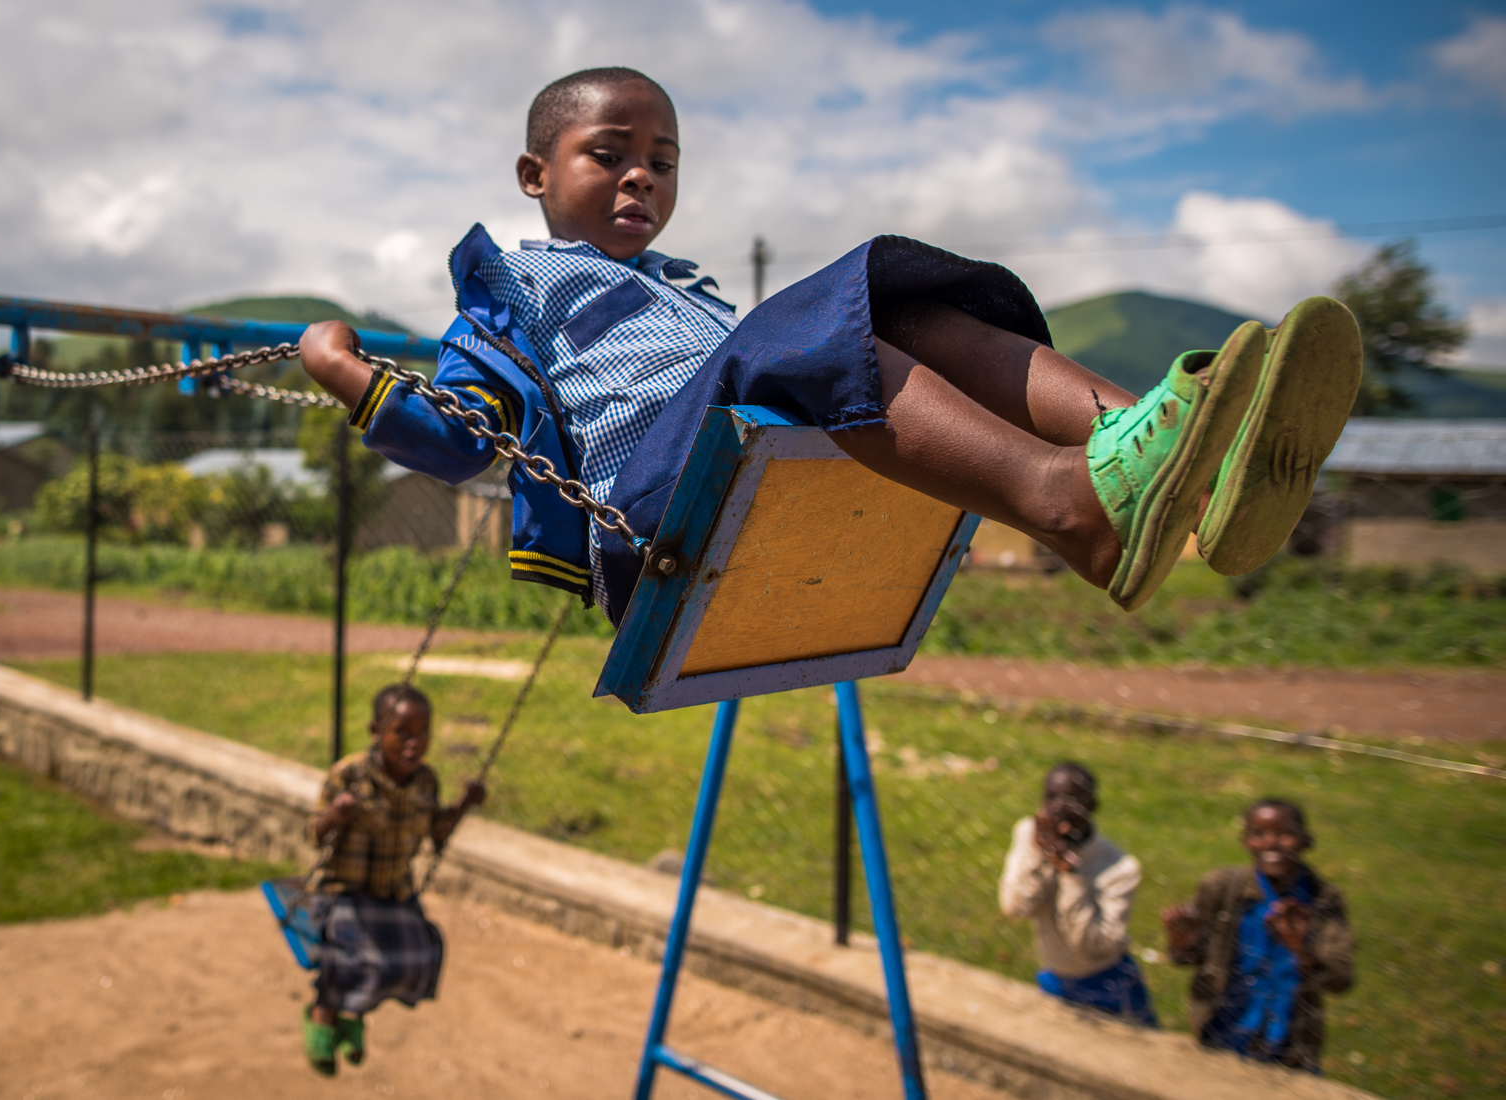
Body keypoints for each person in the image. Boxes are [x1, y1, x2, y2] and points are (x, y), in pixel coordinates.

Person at [299, 67, 1362, 626]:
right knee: (812, 320)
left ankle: (1172, 453)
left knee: (906, 308)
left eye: (662, 160)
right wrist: (341, 370)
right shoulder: (514, 291)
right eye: (608, 155)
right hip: (646, 510)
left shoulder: (685, 290)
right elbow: (457, 443)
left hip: (731, 450)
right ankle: (1065, 500)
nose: (641, 177)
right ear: (535, 175)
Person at [300, 682, 486, 1076]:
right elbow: (313, 834)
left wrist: (463, 806)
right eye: (402, 732)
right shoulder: (350, 774)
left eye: (422, 733)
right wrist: (335, 814)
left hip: (393, 891)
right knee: (350, 954)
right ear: (376, 731)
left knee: (417, 958)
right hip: (343, 891)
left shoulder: (426, 780)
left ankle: (353, 1014)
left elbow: (437, 833)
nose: (413, 744)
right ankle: (322, 1015)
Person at [1161, 799, 1355, 1072]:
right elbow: (1191, 957)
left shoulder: (1322, 900)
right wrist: (1182, 942)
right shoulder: (1222, 887)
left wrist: (1301, 949)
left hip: (1290, 1049)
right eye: (1258, 833)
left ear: (1305, 840)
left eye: (1284, 833)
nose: (1271, 843)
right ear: (1245, 841)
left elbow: (1340, 981)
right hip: (1221, 1034)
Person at [999, 762, 1157, 1025]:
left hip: (1107, 982)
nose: (1058, 808)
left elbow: (1092, 945)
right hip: (1055, 976)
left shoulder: (1119, 868)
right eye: (1051, 797)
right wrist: (1038, 853)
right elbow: (1014, 907)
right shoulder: (1029, 835)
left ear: (1092, 806)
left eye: (1071, 801)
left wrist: (1071, 874)